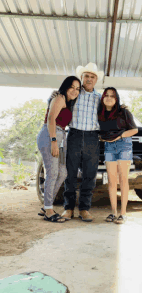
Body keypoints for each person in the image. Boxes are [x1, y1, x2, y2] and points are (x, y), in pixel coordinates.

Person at [60, 63, 104, 222]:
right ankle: (68, 208)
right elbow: (59, 102)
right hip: (74, 135)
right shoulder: (74, 95)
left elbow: (112, 112)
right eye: (86, 76)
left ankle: (84, 209)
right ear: (82, 78)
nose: (89, 79)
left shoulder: (100, 98)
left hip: (93, 138)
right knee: (70, 174)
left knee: (90, 175)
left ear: (96, 80)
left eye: (92, 77)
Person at [37, 76, 81, 223]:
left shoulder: (68, 102)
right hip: (51, 135)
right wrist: (54, 141)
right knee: (53, 172)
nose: (75, 91)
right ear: (66, 87)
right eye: (72, 87)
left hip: (62, 136)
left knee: (62, 172)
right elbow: (51, 119)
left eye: (77, 89)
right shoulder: (60, 98)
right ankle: (49, 210)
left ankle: (46, 205)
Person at [98, 87, 138, 224]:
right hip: (109, 146)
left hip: (124, 145)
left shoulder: (123, 112)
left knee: (123, 179)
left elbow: (134, 130)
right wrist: (103, 138)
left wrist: (120, 136)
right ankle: (113, 212)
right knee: (111, 180)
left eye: (112, 96)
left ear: (116, 99)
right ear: (103, 98)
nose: (109, 98)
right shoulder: (100, 114)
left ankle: (123, 214)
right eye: (106, 95)